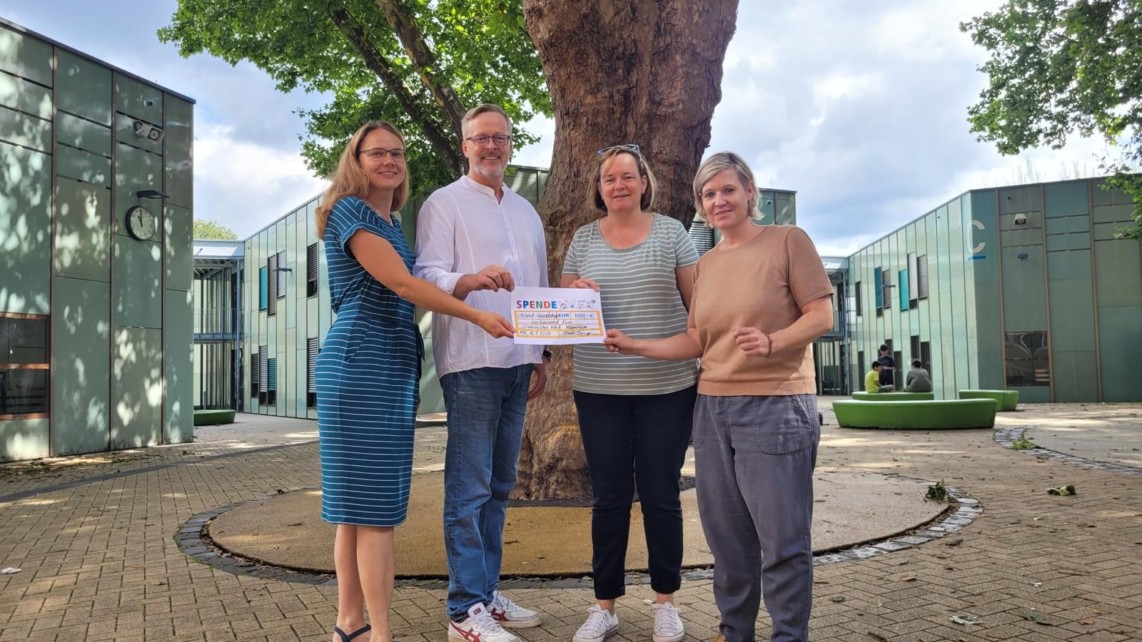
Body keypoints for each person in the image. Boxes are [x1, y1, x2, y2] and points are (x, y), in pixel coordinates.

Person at [605, 152, 834, 642]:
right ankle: (736, 633)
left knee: (783, 542)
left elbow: (821, 316)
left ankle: (789, 636)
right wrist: (636, 344)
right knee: (728, 545)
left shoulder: (788, 242)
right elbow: (696, 339)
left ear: (750, 192)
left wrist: (775, 341)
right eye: (708, 194)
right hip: (710, 410)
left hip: (774, 406)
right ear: (700, 205)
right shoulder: (705, 264)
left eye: (728, 189)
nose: (719, 200)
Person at [315, 121, 515, 642]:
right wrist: (477, 316)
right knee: (375, 511)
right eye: (377, 152)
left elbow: (416, 279)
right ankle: (380, 633)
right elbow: (403, 284)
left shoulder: (389, 218)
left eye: (398, 153)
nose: (390, 161)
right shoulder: (351, 211)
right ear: (354, 159)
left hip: (387, 364)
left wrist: (468, 283)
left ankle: (349, 625)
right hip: (362, 364)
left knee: (355, 512)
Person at [413, 104, 548, 642]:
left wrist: (540, 354)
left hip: (519, 364)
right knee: (468, 488)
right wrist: (469, 280)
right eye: (480, 138)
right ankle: (463, 610)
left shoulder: (526, 211)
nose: (491, 146)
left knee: (500, 485)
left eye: (500, 138)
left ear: (510, 145)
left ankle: (486, 596)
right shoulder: (442, 203)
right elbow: (425, 274)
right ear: (464, 145)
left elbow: (536, 288)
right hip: (470, 362)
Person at [561, 144, 698, 642]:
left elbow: (698, 309)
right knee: (610, 498)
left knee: (662, 495)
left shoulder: (673, 233)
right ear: (599, 189)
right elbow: (563, 317)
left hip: (668, 387)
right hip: (598, 389)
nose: (617, 185)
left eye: (626, 176)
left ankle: (666, 602)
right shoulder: (581, 240)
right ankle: (605, 607)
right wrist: (574, 291)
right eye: (607, 179)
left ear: (644, 181)